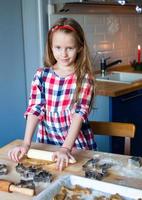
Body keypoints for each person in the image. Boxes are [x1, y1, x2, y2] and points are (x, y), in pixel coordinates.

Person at [8, 17, 97, 171]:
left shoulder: (84, 78)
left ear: (80, 47)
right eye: (58, 47)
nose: (63, 54)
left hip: (75, 147)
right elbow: (35, 109)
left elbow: (79, 114)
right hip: (46, 145)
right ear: (50, 46)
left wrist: (65, 148)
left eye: (70, 48)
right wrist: (26, 143)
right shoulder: (41, 75)